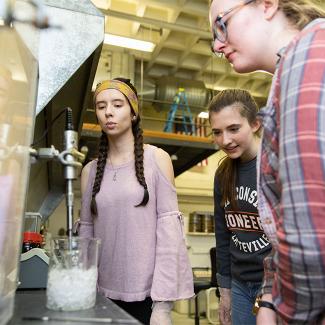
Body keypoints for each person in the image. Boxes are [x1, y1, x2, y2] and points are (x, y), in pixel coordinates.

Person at [210, 1, 325, 324]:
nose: (218, 44)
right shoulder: (288, 71)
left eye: (222, 25)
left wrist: (287, 310)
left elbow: (311, 226)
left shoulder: (308, 57)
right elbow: (285, 223)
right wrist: (272, 298)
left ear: (267, 4)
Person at [79, 77, 194, 325]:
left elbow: (169, 235)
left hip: (147, 298)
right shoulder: (89, 171)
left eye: (117, 104)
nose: (108, 111)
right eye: (101, 106)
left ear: (133, 113)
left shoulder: (157, 160)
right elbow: (85, 238)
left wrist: (163, 306)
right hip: (100, 296)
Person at [209, 89, 272, 325]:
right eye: (217, 132)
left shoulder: (273, 166)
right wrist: (224, 290)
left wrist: (272, 290)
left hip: (273, 283)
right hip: (238, 284)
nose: (225, 140)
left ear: (255, 123)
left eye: (234, 129)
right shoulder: (223, 173)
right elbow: (223, 235)